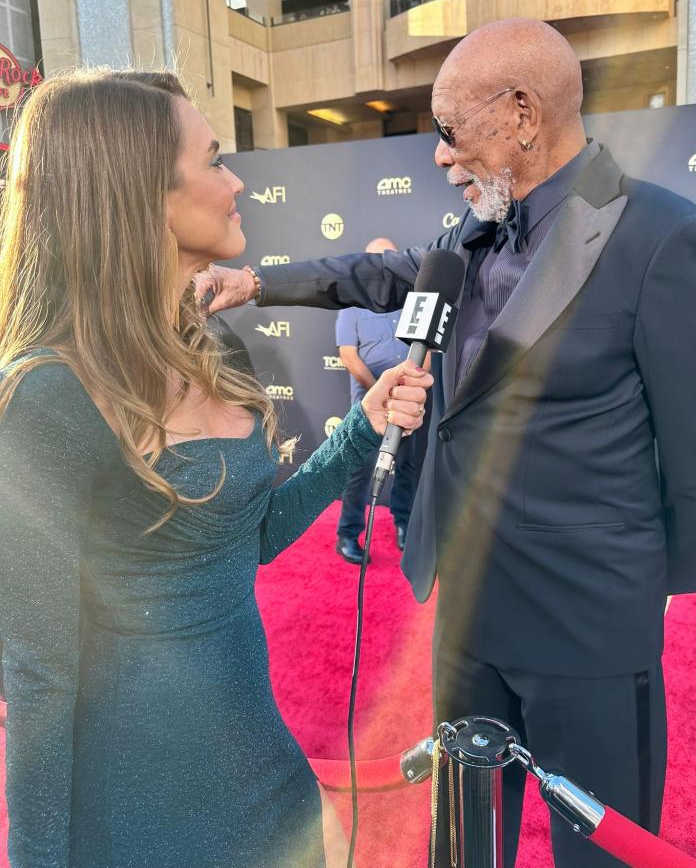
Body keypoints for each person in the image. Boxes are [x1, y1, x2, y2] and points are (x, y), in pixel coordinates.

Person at [195, 18, 696, 868]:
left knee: (603, 851)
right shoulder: (468, 236)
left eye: (451, 130)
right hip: (463, 615)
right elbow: (376, 275)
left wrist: (636, 586)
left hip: (590, 627)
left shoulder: (661, 238)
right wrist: (259, 281)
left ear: (523, 114)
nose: (440, 156)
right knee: (463, 839)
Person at [0, 68, 432, 868]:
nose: (237, 181)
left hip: (265, 768)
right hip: (143, 805)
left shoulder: (207, 342)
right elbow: (36, 679)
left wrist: (361, 431)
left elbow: (254, 535)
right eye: (213, 160)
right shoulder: (46, 396)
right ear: (139, 194)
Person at [335, 237, 419, 563]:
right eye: (376, 259)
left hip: (409, 402)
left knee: (409, 468)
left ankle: (405, 526)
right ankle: (347, 534)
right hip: (368, 407)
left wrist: (404, 390)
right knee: (360, 471)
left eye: (390, 258)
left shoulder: (412, 302)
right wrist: (379, 392)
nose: (384, 264)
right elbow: (348, 356)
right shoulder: (352, 305)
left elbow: (425, 353)